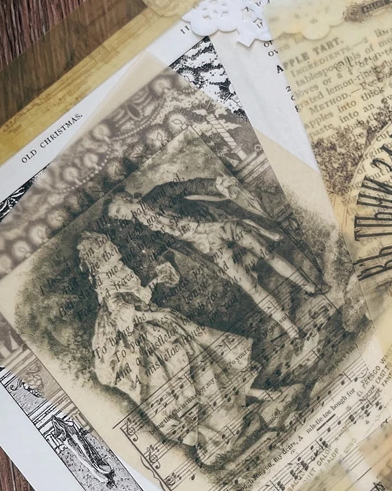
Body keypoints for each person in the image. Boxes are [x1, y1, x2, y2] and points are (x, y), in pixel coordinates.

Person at [76, 231, 259, 465]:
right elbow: (125, 316)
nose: (113, 248)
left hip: (159, 327)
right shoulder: (105, 282)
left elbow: (138, 298)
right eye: (107, 247)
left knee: (198, 362)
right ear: (98, 257)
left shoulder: (118, 270)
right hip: (145, 343)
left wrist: (156, 280)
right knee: (179, 381)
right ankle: (210, 440)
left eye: (109, 244)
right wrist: (159, 315)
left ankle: (227, 418)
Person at [106, 176, 319, 349]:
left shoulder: (158, 193)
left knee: (267, 254)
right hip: (208, 248)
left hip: (220, 225)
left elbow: (190, 186)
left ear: (124, 198)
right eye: (116, 217)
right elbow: (163, 251)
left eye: (117, 211)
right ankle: (291, 329)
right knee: (250, 287)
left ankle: (309, 286)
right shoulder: (143, 230)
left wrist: (216, 184)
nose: (119, 217)